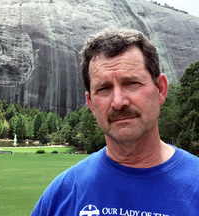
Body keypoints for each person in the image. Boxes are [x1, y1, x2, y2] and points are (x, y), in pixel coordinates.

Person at [31, 27, 199, 216]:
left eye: (132, 83)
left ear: (160, 89)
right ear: (91, 104)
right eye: (103, 88)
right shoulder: (61, 196)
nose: (119, 102)